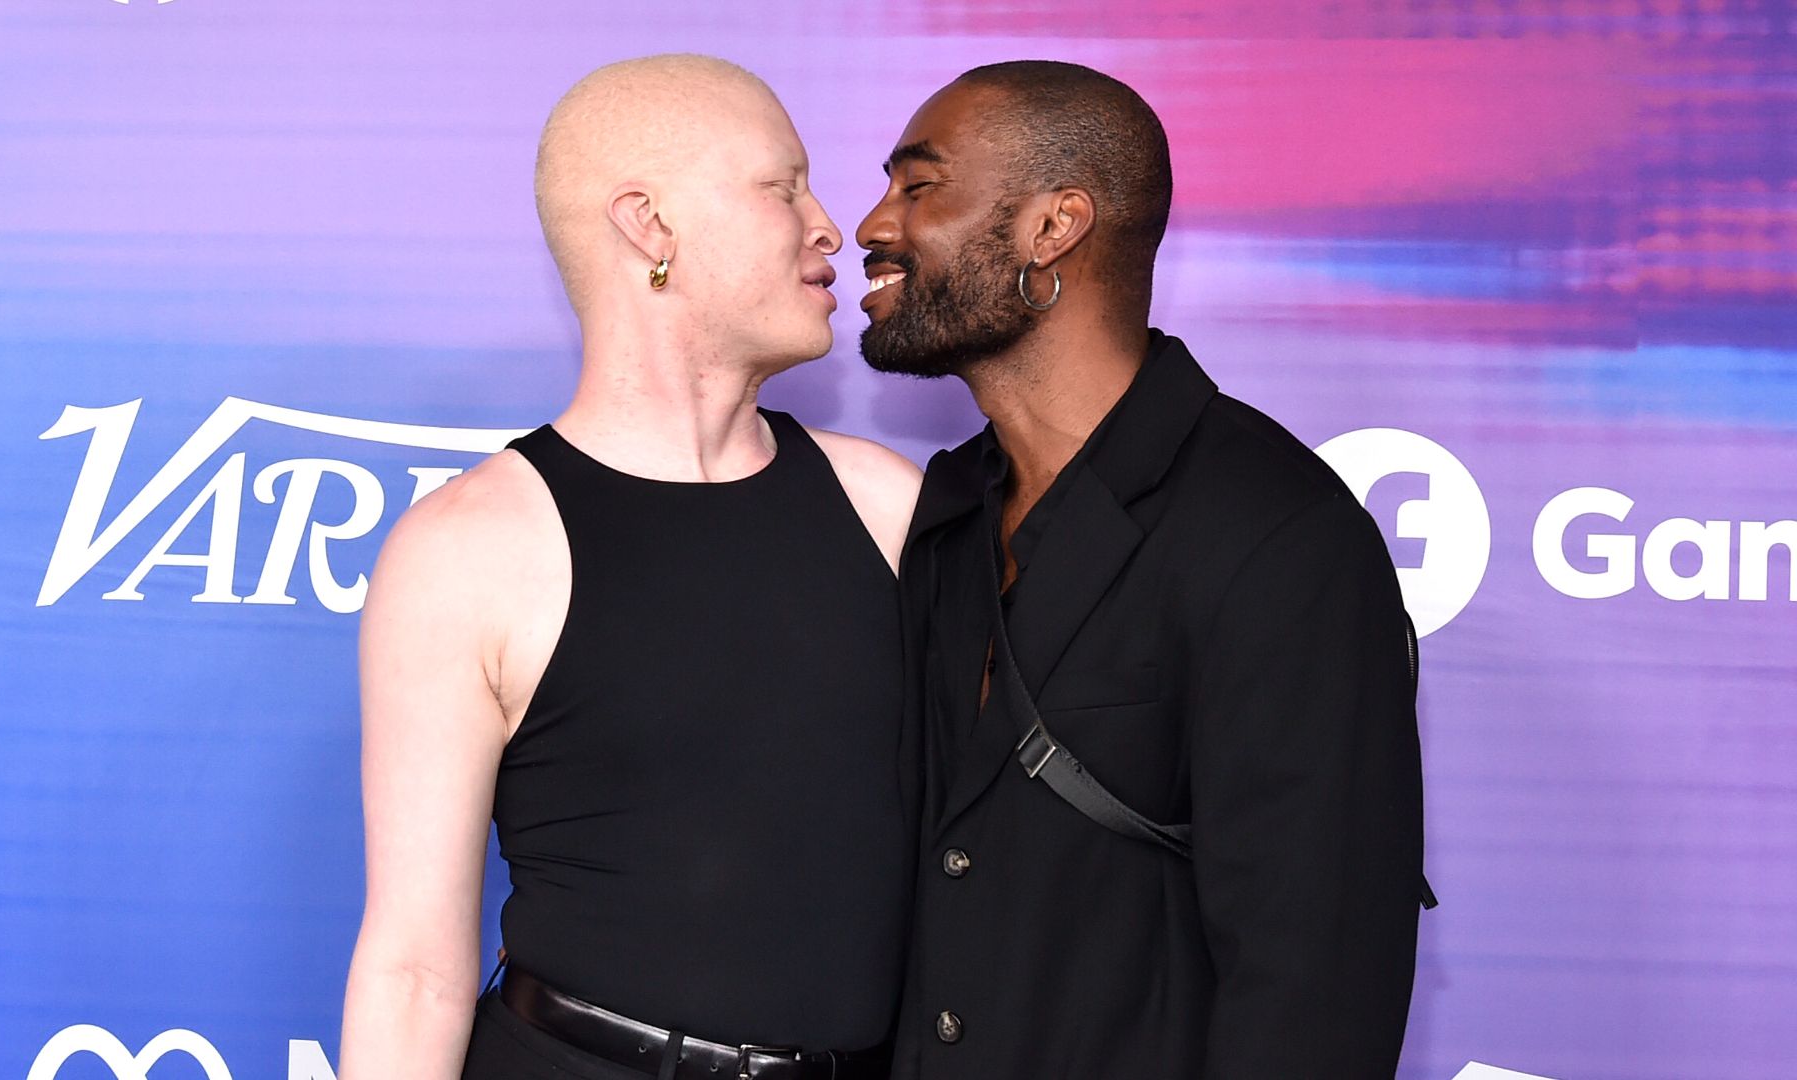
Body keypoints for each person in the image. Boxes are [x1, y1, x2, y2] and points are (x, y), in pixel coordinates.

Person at [338, 54, 922, 1080]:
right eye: (783, 188)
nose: (830, 227)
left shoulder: (888, 506)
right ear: (649, 226)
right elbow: (415, 968)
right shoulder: (468, 550)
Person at [857, 60, 1428, 1078]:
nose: (873, 225)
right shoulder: (950, 507)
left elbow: (1318, 985)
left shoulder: (1277, 533)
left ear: (1054, 226)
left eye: (919, 185)